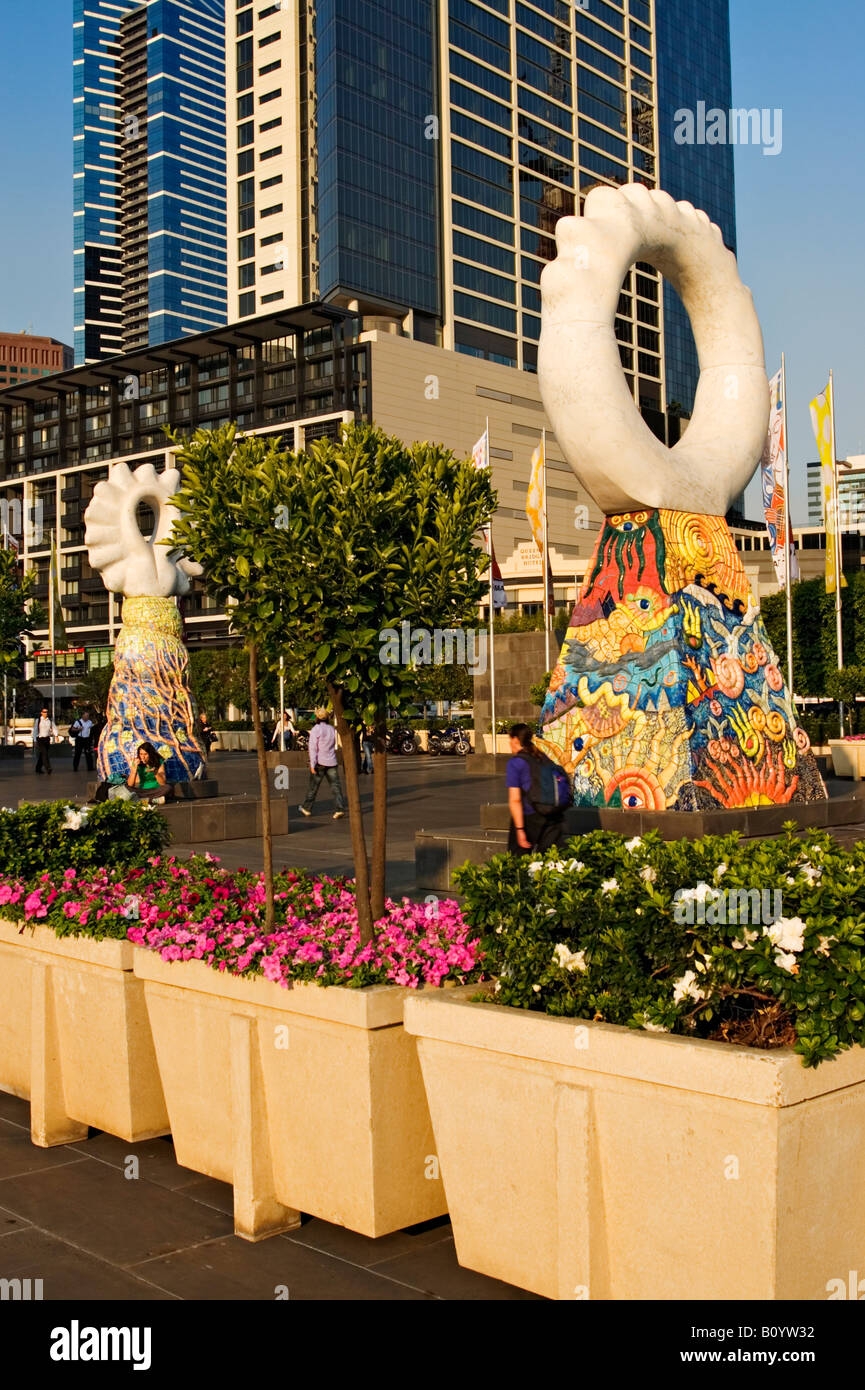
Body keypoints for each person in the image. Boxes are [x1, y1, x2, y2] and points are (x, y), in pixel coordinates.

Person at [506, 723, 571, 855]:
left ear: (515, 740)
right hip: (554, 815)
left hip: (530, 816)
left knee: (517, 864)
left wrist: (519, 829)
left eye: (510, 739)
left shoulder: (516, 762)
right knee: (550, 864)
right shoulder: (542, 756)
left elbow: (515, 800)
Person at [298, 707, 346, 820]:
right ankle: (340, 809)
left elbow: (313, 748)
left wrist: (312, 764)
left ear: (317, 718)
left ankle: (306, 807)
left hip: (320, 762)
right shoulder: (331, 729)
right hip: (332, 761)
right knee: (336, 787)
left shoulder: (316, 729)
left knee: (313, 787)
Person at [94, 742, 171, 803]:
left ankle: (142, 799)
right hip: (141, 790)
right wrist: (134, 770)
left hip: (155, 789)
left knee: (168, 788)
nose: (142, 757)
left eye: (145, 754)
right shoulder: (137, 763)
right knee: (127, 789)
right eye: (141, 754)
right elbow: (130, 784)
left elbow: (163, 783)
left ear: (150, 754)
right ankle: (150, 800)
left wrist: (155, 772)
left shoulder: (159, 761)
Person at [32, 707, 59, 775]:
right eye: (44, 712)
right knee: (44, 753)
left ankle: (38, 768)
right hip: (40, 739)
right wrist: (35, 740)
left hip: (47, 739)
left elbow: (54, 728)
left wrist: (56, 736)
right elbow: (35, 731)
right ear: (41, 713)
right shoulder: (38, 720)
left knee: (43, 754)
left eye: (46, 712)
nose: (45, 713)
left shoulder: (49, 720)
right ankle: (48, 768)